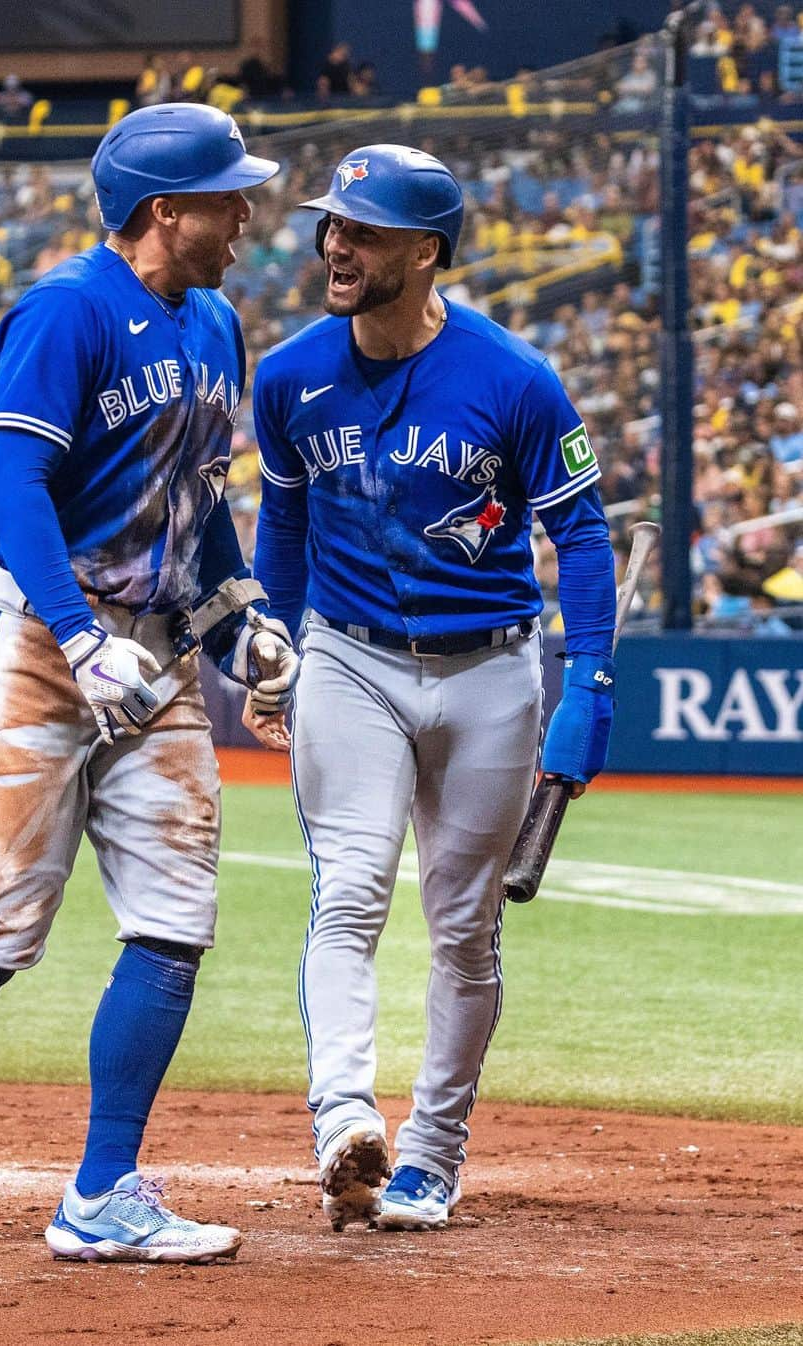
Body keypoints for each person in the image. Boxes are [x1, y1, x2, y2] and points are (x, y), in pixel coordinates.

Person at [0, 104, 298, 1263]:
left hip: (158, 649)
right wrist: (73, 633)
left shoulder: (218, 325)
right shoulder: (64, 309)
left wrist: (238, 616)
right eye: (228, 198)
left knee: (176, 922)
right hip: (47, 642)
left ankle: (102, 1189)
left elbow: (199, 501)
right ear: (164, 212)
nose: (246, 216)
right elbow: (14, 487)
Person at [247, 145, 616, 1232]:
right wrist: (273, 648)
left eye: (360, 231)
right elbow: (283, 524)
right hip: (348, 659)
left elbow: (582, 533)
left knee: (463, 928)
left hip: (491, 669)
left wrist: (587, 676)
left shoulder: (515, 379)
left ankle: (432, 1157)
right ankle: (345, 1118)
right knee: (350, 886)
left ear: (427, 249)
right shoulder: (290, 376)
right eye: (331, 227)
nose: (335, 246)